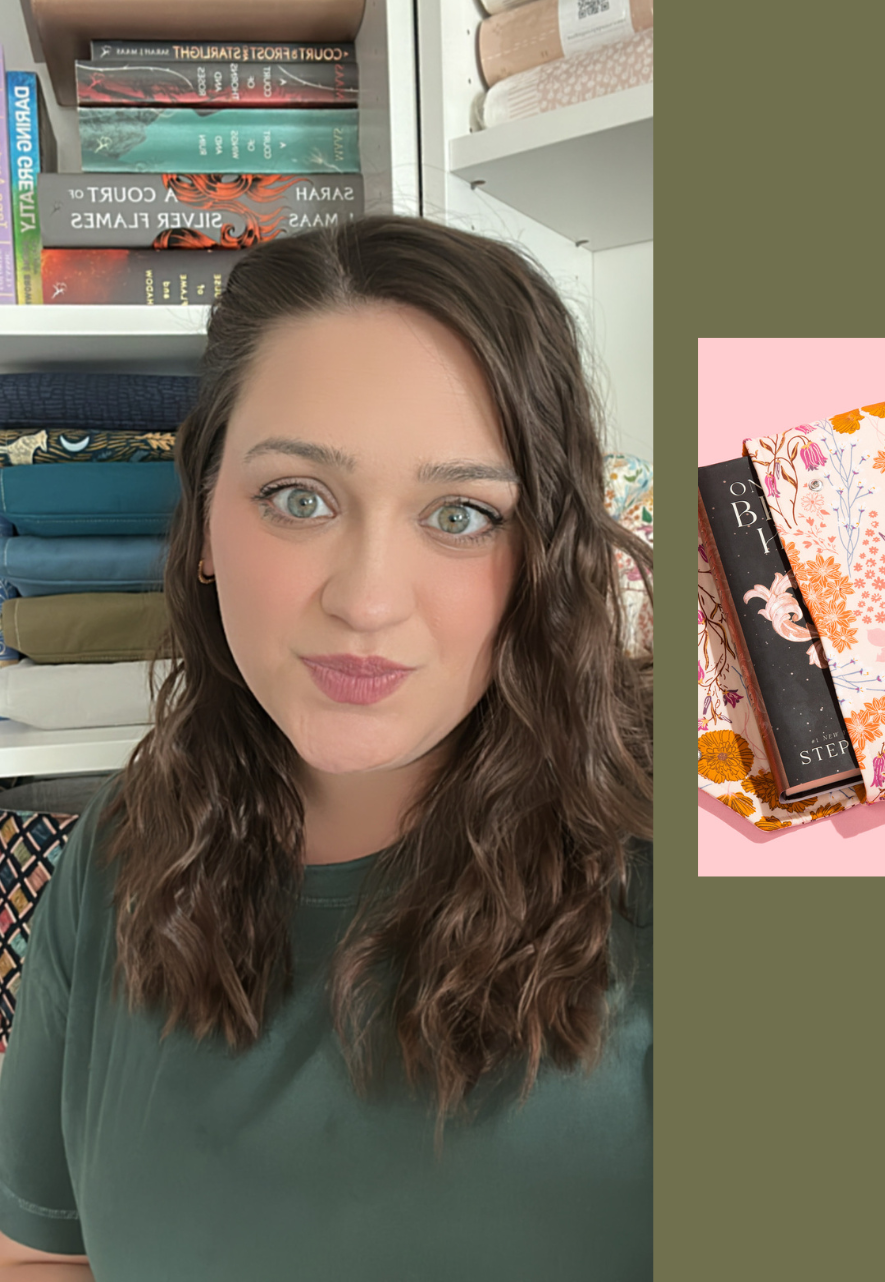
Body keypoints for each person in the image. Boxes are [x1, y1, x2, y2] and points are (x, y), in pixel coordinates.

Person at [0, 216, 653, 1281]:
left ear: (543, 552)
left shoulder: (689, 857)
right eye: (297, 499)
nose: (366, 599)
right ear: (204, 519)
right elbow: (42, 1257)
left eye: (461, 515)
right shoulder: (117, 856)